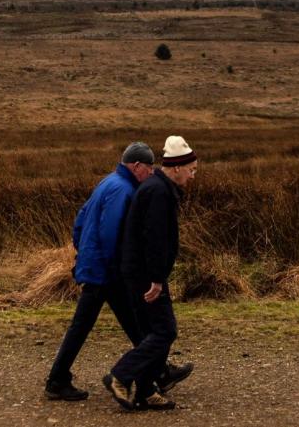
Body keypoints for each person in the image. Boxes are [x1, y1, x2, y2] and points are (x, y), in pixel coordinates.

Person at [45, 142, 192, 401]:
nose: (151, 173)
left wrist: (83, 252)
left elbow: (80, 219)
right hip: (107, 271)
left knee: (122, 324)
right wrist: (122, 269)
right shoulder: (123, 190)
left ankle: (157, 372)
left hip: (96, 265)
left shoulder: (108, 182)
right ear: (137, 166)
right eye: (148, 168)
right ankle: (59, 379)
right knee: (91, 325)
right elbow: (113, 234)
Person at [105, 135, 197, 411]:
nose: (193, 176)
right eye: (192, 170)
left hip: (138, 273)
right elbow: (154, 240)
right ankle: (120, 375)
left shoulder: (157, 188)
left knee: (150, 332)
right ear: (177, 168)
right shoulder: (158, 192)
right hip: (146, 276)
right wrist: (157, 279)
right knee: (165, 331)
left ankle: (145, 391)